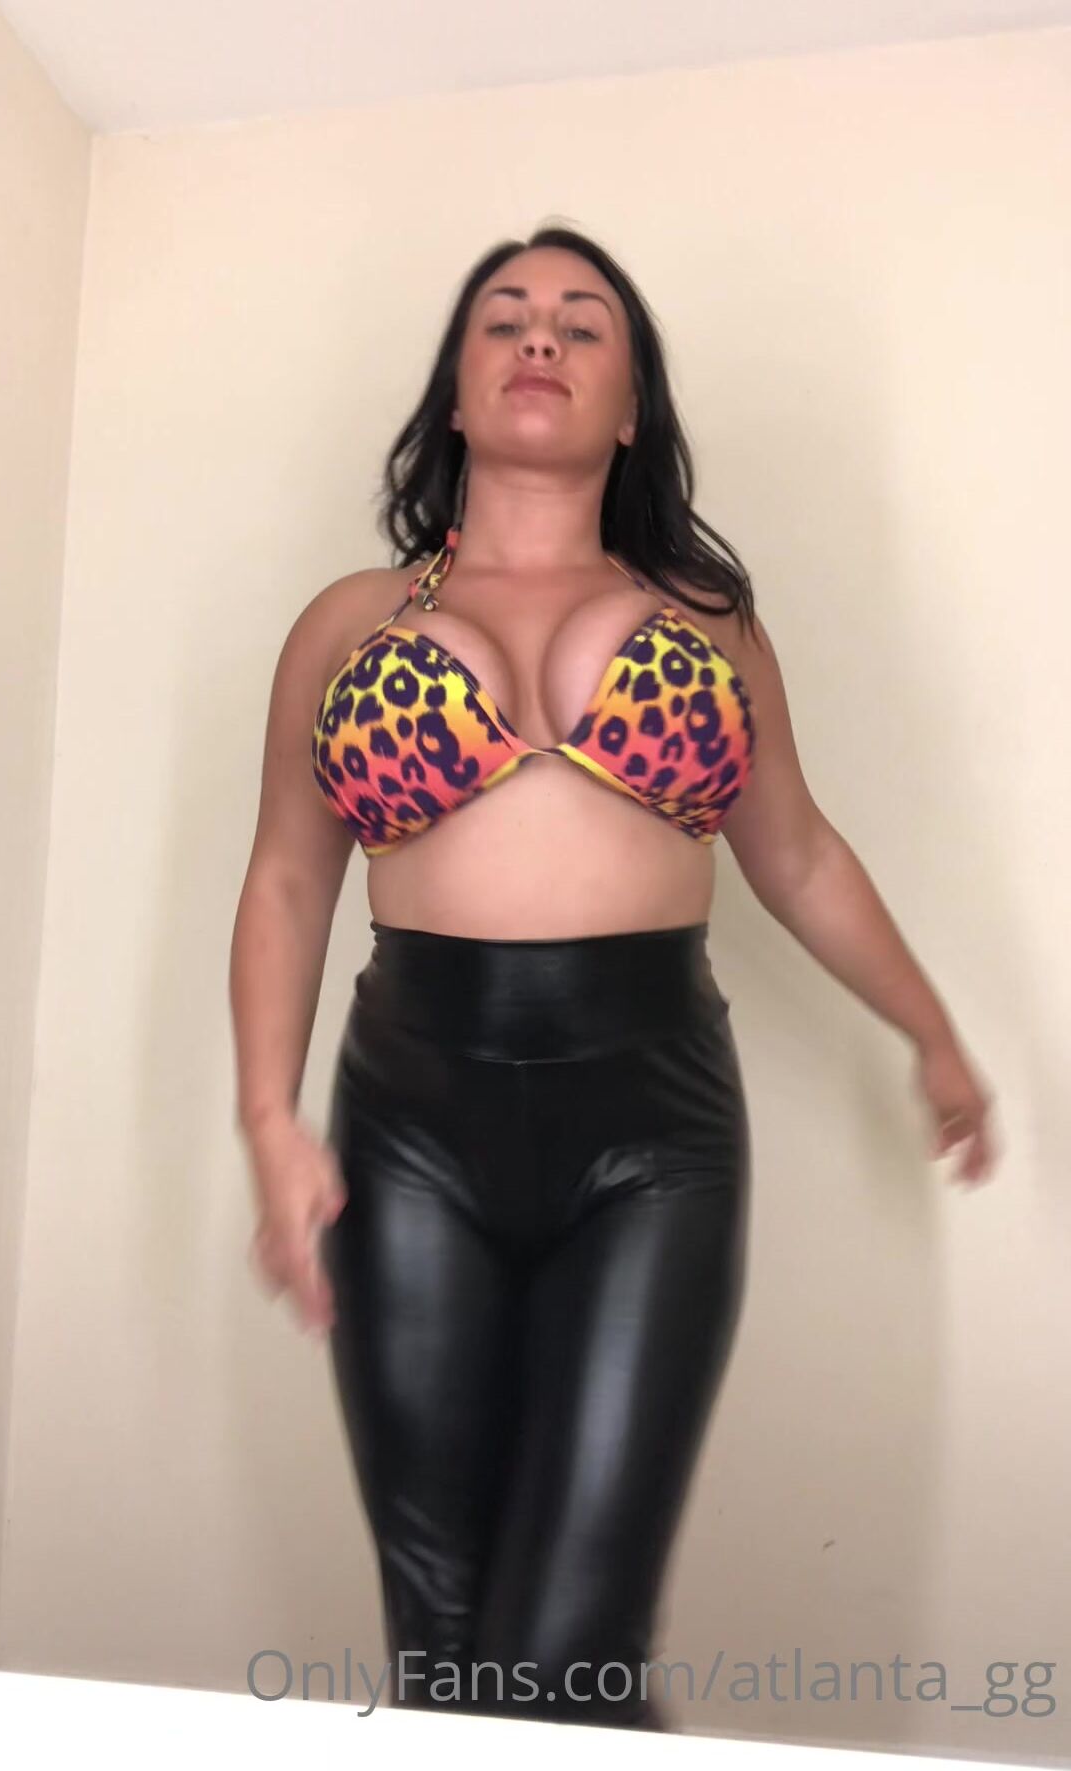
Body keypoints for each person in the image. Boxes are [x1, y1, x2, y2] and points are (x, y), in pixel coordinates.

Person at [229, 224, 997, 1732]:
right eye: (505, 317)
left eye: (585, 325)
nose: (541, 338)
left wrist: (935, 1037)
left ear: (631, 407)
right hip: (407, 1122)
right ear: (456, 389)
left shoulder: (707, 619)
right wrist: (268, 1118)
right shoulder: (345, 623)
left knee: (570, 1645)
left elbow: (798, 858)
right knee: (442, 1641)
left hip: (653, 1133)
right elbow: (287, 879)